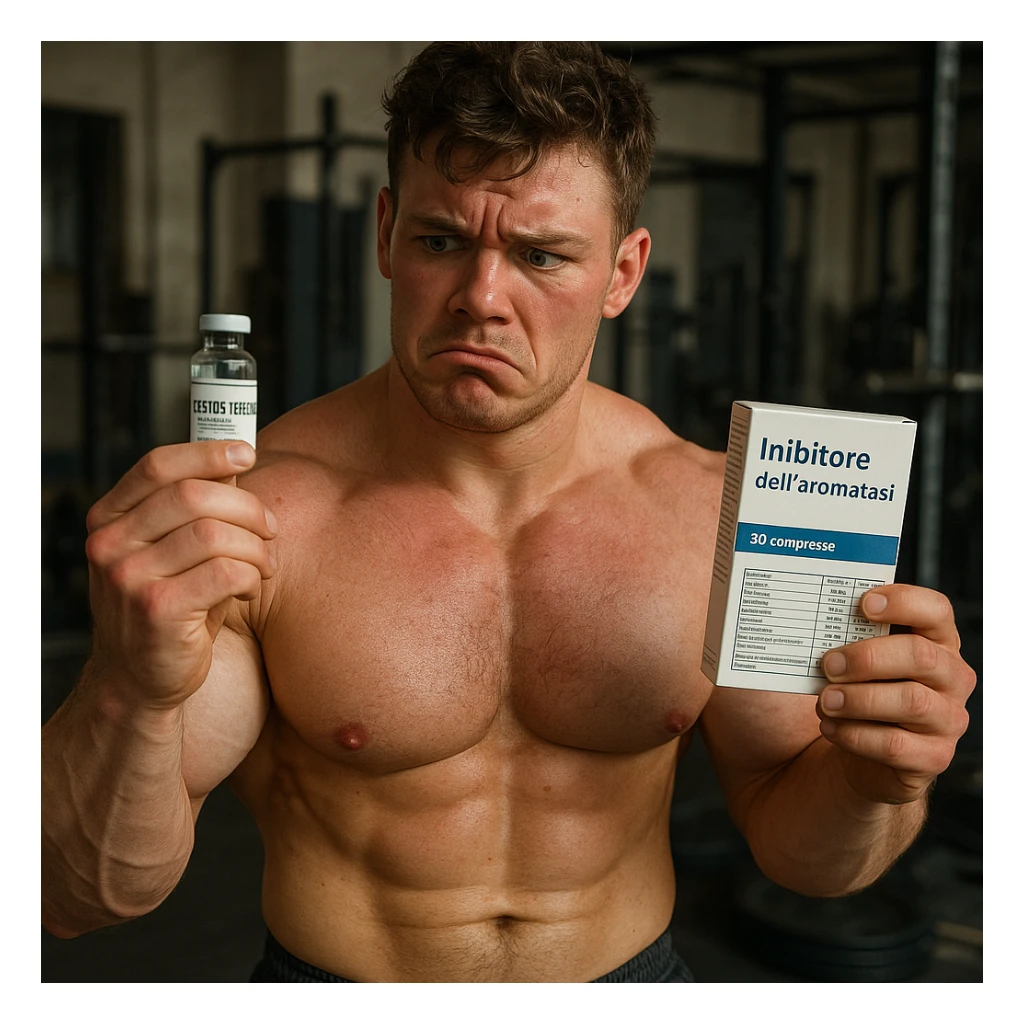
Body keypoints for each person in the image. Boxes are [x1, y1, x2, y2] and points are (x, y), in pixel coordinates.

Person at [41, 41, 976, 984]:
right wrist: (126, 684)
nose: (481, 300)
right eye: (442, 241)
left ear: (622, 273)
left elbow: (808, 859)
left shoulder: (710, 513)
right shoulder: (258, 514)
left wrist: (880, 781)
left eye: (541, 255)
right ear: (385, 235)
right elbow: (77, 896)